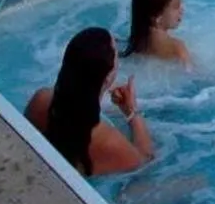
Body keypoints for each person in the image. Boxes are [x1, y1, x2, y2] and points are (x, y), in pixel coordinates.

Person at [25, 27, 154, 177]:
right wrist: (132, 113)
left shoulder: (40, 100)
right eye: (116, 54)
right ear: (107, 77)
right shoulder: (109, 142)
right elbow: (145, 161)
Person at [124, 0, 192, 66]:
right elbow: (193, 76)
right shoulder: (177, 48)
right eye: (176, 6)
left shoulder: (135, 44)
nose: (182, 10)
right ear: (156, 17)